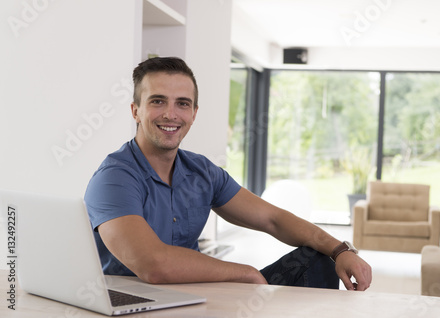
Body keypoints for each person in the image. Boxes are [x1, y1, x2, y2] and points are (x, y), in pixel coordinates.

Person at [84, 57, 372, 291]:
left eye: (182, 103)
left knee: (316, 258)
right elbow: (154, 265)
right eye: (157, 101)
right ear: (136, 111)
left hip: (195, 295)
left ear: (194, 113)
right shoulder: (114, 178)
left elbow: (273, 219)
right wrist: (246, 273)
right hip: (135, 301)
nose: (170, 114)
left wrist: (339, 249)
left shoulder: (201, 171)